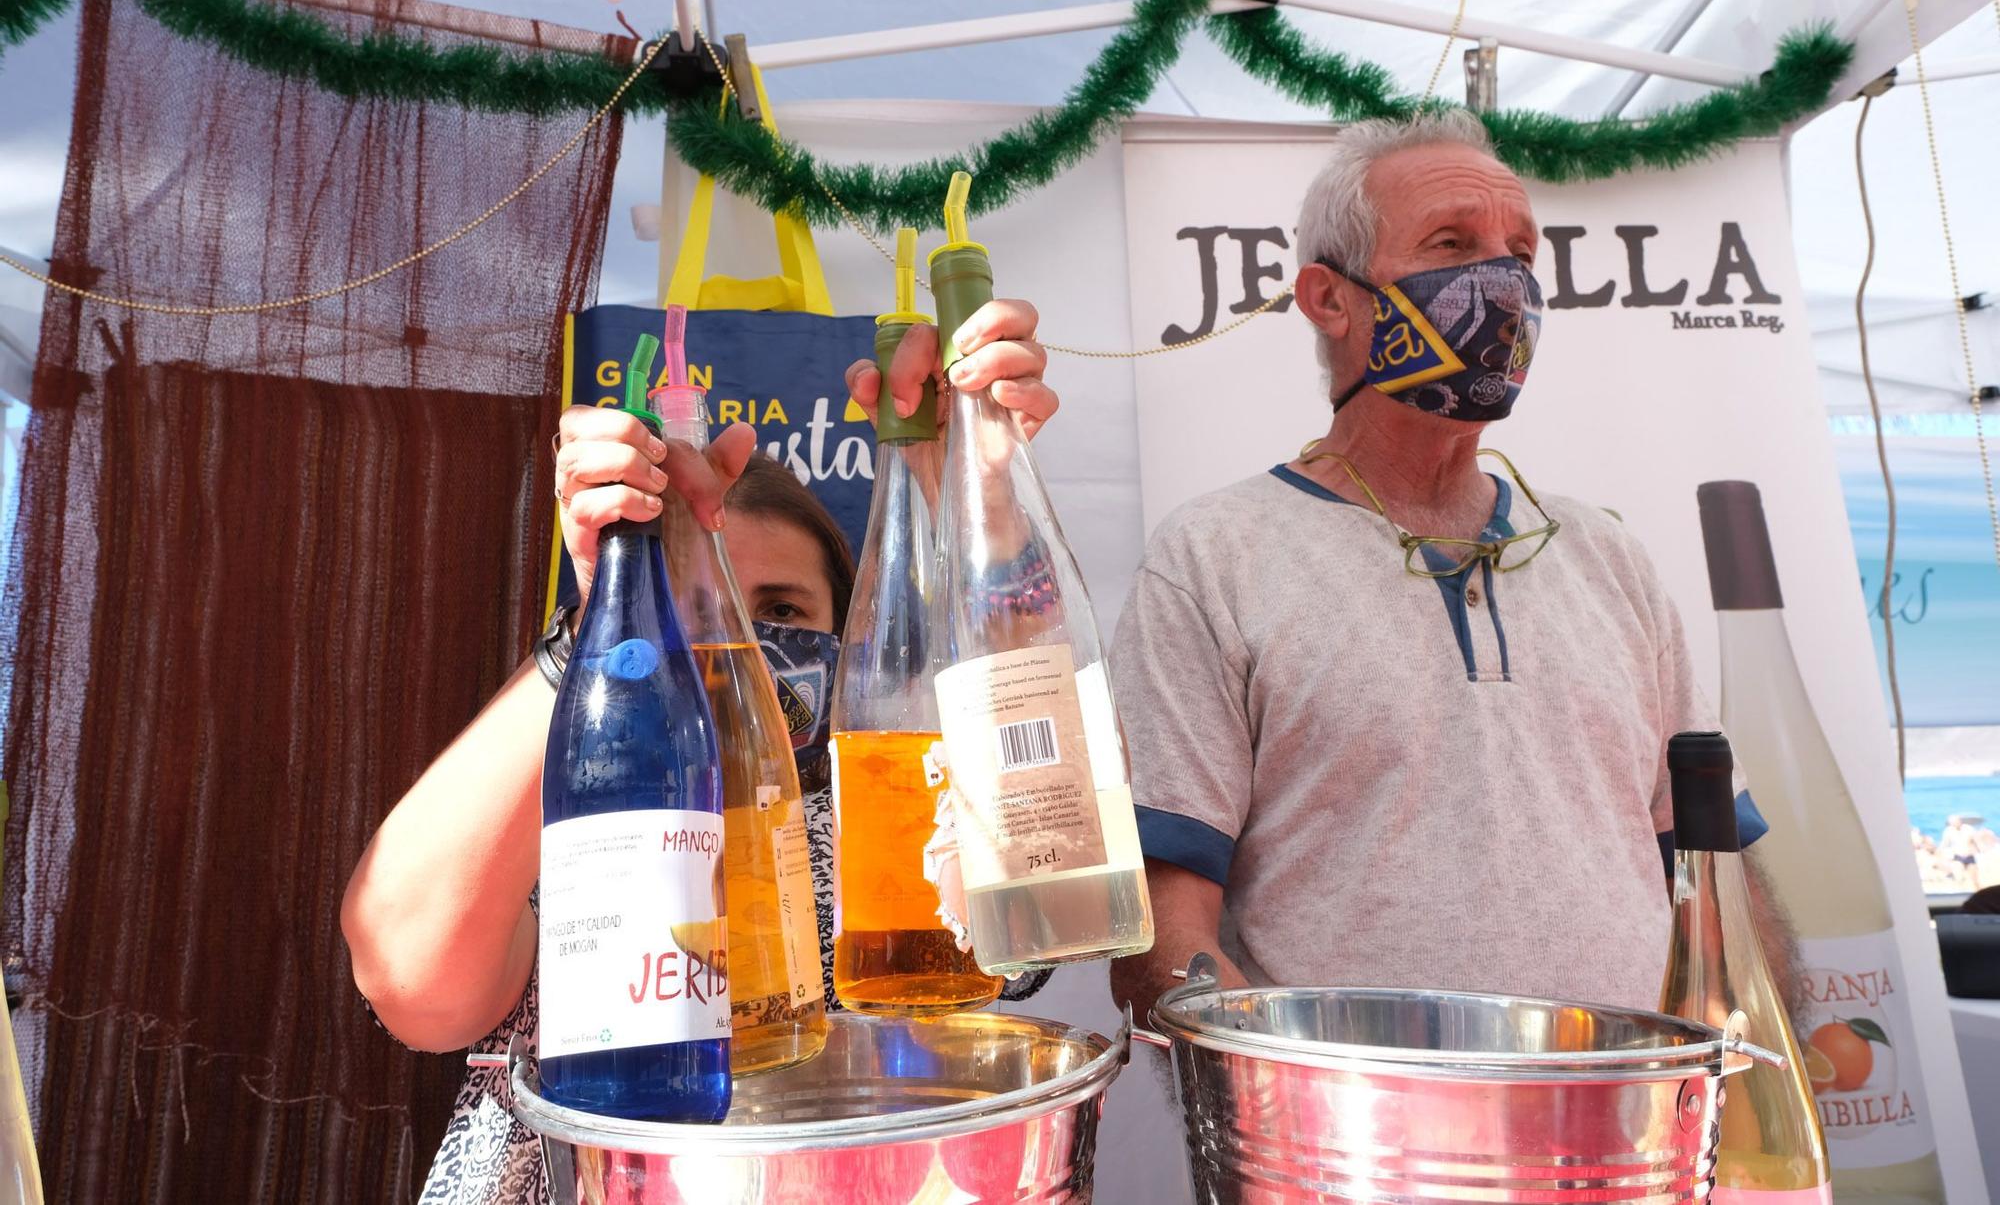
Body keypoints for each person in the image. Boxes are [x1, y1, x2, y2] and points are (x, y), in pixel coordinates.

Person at [341, 299, 1056, 1204]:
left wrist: (980, 502)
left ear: (853, 635)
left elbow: (1037, 891)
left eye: (785, 612)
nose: (742, 648)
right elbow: (410, 975)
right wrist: (598, 615)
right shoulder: (570, 812)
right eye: (696, 609)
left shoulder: (893, 820)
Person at [1107, 112, 1802, 1022]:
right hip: (1349, 1152)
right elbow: (1160, 933)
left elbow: (1718, 876)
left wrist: (1753, 1085)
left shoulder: (1609, 559)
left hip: (1631, 1139)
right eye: (1452, 243)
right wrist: (1301, 1117)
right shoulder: (1214, 558)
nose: (1507, 284)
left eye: (1522, 251)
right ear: (1329, 298)